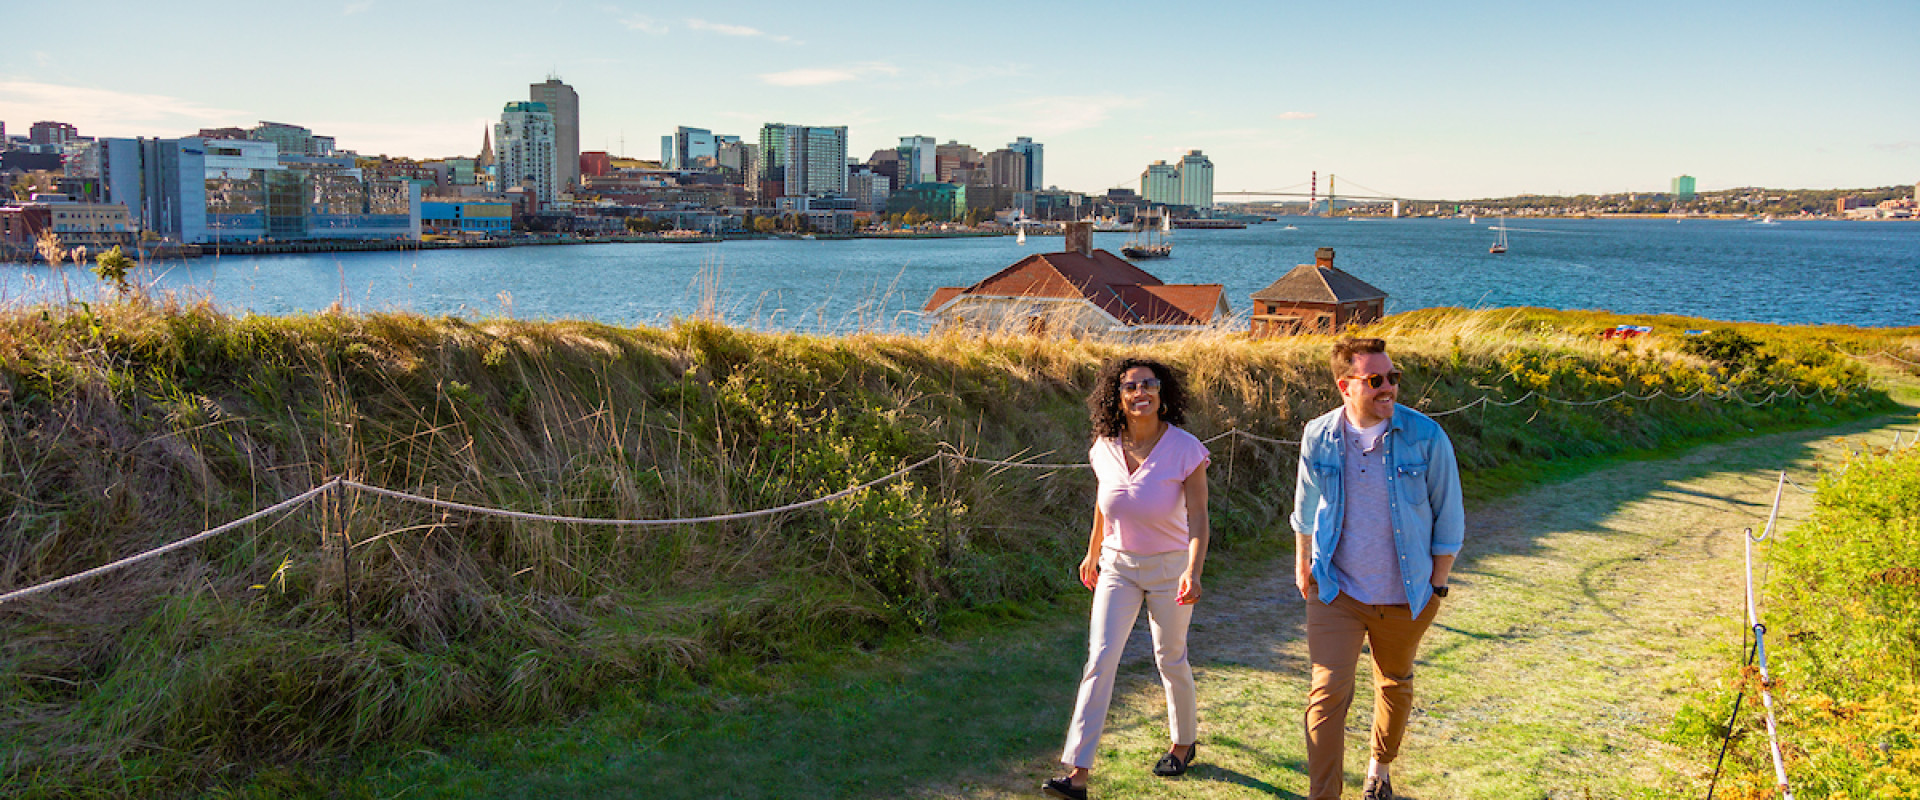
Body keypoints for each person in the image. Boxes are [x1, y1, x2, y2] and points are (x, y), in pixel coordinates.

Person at [1291, 337, 1464, 800]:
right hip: (1335, 591)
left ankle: (1379, 767)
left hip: (1406, 594)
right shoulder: (1318, 435)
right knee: (1325, 697)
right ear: (1345, 386)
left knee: (1394, 684)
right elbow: (1304, 506)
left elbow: (1449, 519)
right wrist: (1302, 559)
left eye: (1394, 378)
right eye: (1376, 380)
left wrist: (1438, 586)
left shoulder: (1427, 437)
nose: (1389, 388)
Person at [1044, 357, 1212, 800]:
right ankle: (1077, 772)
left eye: (1149, 385)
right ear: (1116, 398)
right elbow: (1103, 503)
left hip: (1170, 569)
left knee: (1169, 658)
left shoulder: (1187, 448)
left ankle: (1182, 744)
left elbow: (1199, 521)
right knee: (1099, 661)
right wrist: (1092, 550)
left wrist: (1192, 572)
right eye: (1130, 387)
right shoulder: (1103, 446)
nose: (1141, 393)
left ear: (1163, 393)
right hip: (1118, 566)